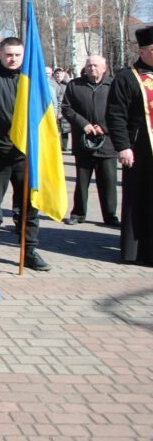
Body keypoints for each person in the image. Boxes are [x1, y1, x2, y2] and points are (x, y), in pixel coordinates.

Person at [0, 37, 51, 271]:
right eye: (9, 54)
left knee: (29, 205)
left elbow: (44, 110)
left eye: (17, 55)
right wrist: (14, 128)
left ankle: (29, 250)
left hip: (26, 154)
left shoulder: (31, 81)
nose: (13, 59)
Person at [107, 25, 153, 266]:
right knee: (139, 199)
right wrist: (123, 145)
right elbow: (116, 114)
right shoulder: (127, 77)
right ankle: (138, 252)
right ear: (142, 50)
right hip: (140, 149)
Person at [61, 56, 118, 227]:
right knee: (82, 181)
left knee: (108, 181)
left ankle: (110, 216)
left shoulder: (113, 85)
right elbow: (66, 108)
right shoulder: (75, 85)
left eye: (95, 65)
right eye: (88, 65)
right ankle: (78, 213)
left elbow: (120, 109)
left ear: (104, 68)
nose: (92, 68)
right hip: (83, 141)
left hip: (107, 143)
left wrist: (104, 126)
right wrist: (83, 124)